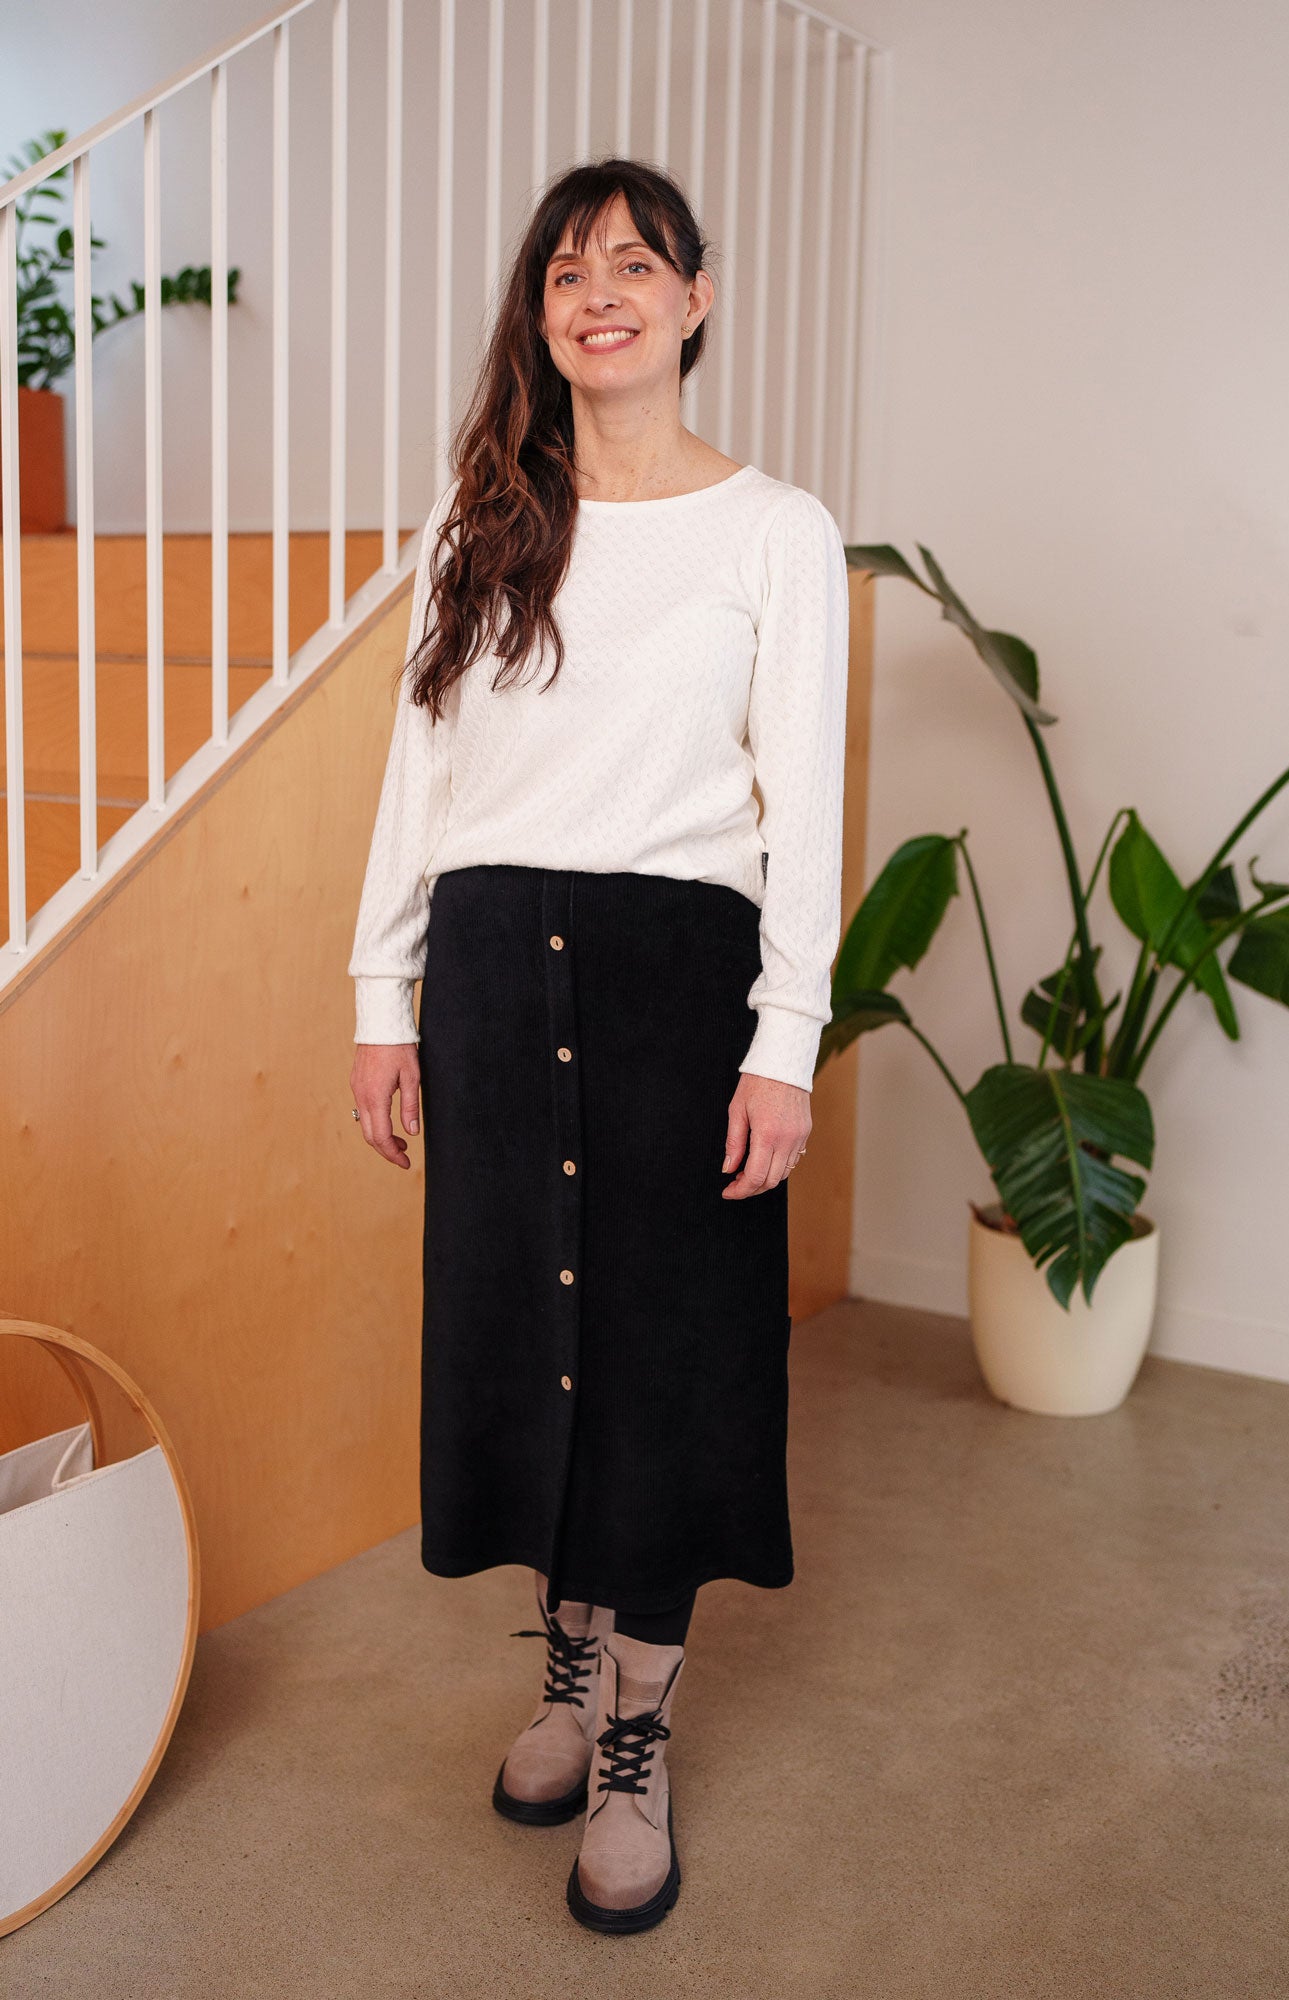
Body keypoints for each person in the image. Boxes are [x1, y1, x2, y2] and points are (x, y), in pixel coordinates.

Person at [347, 155, 849, 1937]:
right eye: (565, 271)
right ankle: (562, 1676)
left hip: (674, 975)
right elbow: (423, 778)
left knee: (663, 1349)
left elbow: (804, 800)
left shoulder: (775, 530)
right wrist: (378, 999)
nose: (597, 292)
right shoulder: (480, 519)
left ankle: (637, 1722)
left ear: (695, 300)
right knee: (517, 1333)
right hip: (491, 967)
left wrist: (783, 1041)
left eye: (632, 263)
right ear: (541, 316)